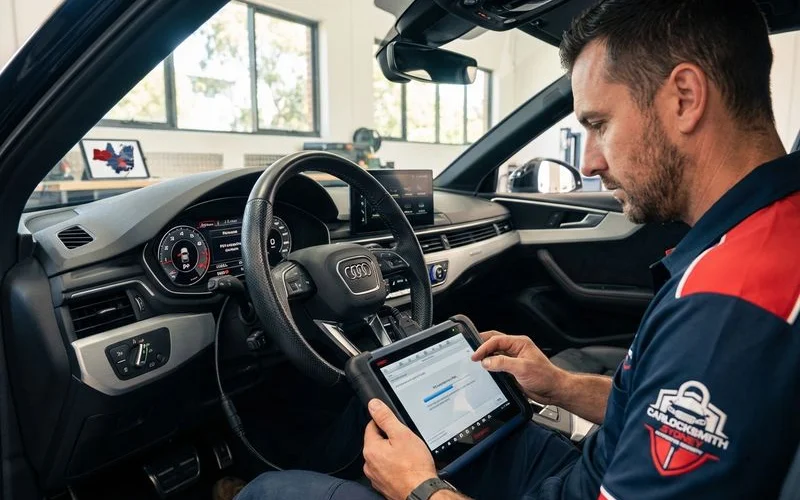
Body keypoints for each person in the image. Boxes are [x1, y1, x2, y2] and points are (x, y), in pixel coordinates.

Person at [229, 0, 800, 498]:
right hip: (595, 469)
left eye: (599, 123)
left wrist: (419, 487)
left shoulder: (724, 307)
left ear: (685, 97)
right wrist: (560, 385)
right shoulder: (765, 236)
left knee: (269, 491)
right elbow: (651, 413)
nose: (589, 161)